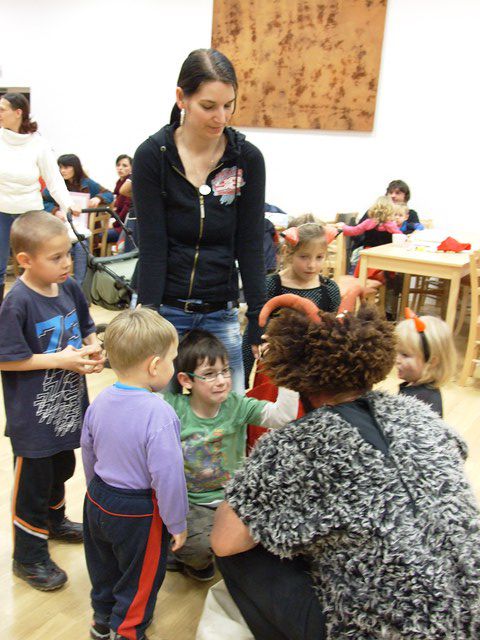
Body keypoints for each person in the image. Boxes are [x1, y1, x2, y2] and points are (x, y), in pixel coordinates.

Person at [210, 298, 480, 640]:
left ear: (295, 379)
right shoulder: (419, 414)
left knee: (236, 547)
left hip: (389, 630)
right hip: (472, 609)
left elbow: (224, 541)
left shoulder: (296, 443)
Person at [133, 48, 266, 394]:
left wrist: (258, 316)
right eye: (208, 106)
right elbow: (152, 245)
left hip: (220, 311)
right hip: (164, 309)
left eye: (228, 105)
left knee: (229, 411)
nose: (221, 117)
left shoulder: (246, 159)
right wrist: (150, 316)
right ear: (182, 98)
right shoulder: (152, 156)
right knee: (160, 413)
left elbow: (251, 244)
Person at [0, 211, 104, 591]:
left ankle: (54, 521)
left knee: (62, 468)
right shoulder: (17, 302)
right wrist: (60, 360)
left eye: (67, 254)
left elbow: (87, 327)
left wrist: (93, 347)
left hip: (68, 407)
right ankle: (27, 557)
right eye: (56, 257)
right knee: (33, 483)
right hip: (33, 418)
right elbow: (6, 358)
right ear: (25, 260)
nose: (67, 263)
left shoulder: (69, 287)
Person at [81, 307, 188, 640]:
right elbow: (168, 476)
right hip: (137, 510)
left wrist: (94, 491)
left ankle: (102, 620)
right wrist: (177, 522)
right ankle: (127, 631)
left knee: (103, 567)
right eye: (172, 359)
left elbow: (88, 450)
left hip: (97, 499)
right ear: (154, 366)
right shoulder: (159, 412)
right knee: (140, 577)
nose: (173, 366)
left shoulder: (100, 400)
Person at [162, 328, 298, 582]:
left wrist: (286, 366)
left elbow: (284, 417)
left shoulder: (237, 405)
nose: (222, 380)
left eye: (225, 371)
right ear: (186, 380)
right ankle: (188, 557)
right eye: (209, 374)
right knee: (199, 549)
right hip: (194, 504)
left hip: (234, 498)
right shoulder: (173, 408)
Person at [242, 217, 341, 387]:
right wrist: (242, 382)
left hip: (312, 373)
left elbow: (332, 337)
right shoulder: (270, 286)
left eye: (319, 257)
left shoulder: (329, 290)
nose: (311, 265)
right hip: (273, 373)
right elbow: (251, 335)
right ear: (288, 252)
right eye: (304, 257)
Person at [0, 92, 76, 305]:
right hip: (1, 211)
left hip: (30, 214)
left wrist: (68, 205)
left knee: (37, 264)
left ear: (18, 113)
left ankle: (40, 307)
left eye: (2, 109)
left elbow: (54, 180)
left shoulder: (38, 144)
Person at [43, 153, 114, 284]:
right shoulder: (57, 185)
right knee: (64, 247)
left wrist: (98, 198)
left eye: (66, 167)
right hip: (61, 231)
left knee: (82, 247)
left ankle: (78, 285)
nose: (62, 171)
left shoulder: (87, 184)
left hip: (82, 232)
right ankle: (59, 284)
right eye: (60, 167)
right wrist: (55, 211)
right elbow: (43, 201)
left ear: (75, 168)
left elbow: (109, 194)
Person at [395, 309, 456, 417]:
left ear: (431, 361)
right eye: (396, 352)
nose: (397, 359)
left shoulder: (419, 404)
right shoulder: (423, 390)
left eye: (405, 355)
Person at [110, 154, 132, 243]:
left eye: (124, 165)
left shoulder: (128, 185)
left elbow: (126, 209)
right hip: (118, 223)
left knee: (96, 235)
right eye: (118, 165)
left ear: (132, 168)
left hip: (124, 227)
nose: (120, 168)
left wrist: (113, 224)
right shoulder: (119, 182)